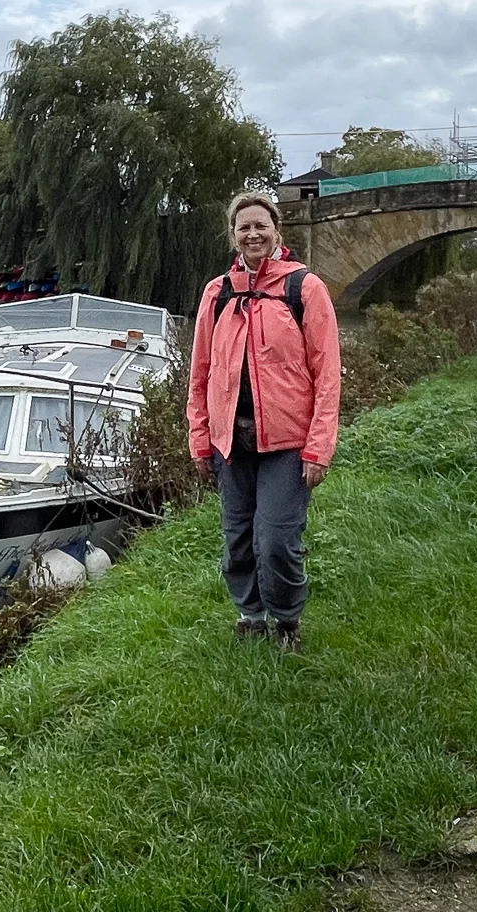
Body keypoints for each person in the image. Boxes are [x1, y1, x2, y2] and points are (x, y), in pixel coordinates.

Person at [186, 192, 341, 649]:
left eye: (261, 225)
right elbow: (200, 374)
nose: (252, 234)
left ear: (277, 231)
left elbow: (327, 374)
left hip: (289, 443)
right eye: (243, 227)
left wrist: (319, 447)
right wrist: (200, 439)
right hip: (230, 442)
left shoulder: (304, 289)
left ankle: (287, 621)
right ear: (233, 235)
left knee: (275, 540)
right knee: (237, 537)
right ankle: (249, 615)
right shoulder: (217, 294)